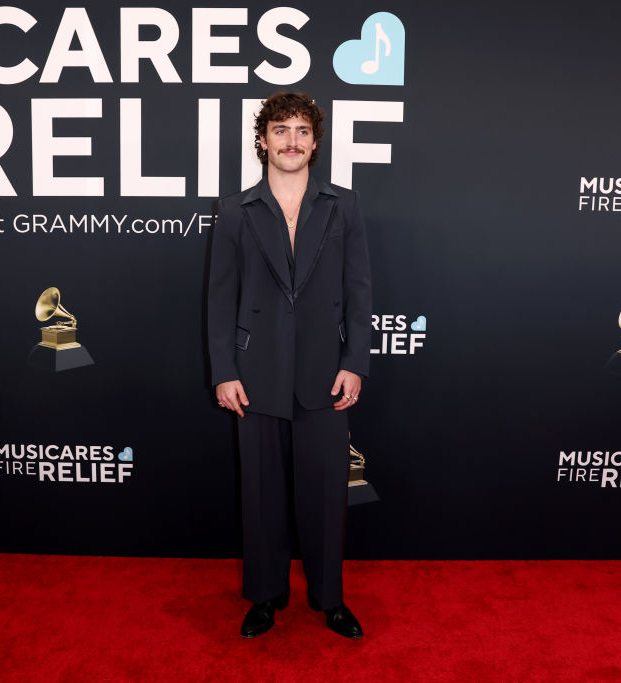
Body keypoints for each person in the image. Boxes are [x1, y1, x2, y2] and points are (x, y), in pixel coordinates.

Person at [207, 92, 372, 639]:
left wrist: (355, 363)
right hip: (255, 375)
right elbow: (220, 297)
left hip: (326, 372)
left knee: (327, 495)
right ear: (262, 140)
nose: (292, 141)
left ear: (315, 143)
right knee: (261, 495)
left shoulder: (342, 205)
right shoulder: (234, 209)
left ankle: (330, 599)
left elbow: (359, 292)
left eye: (302, 131)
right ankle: (266, 595)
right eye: (281, 130)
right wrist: (224, 370)